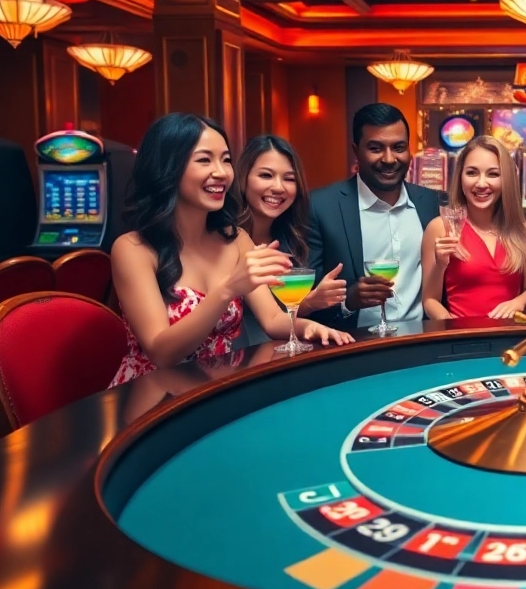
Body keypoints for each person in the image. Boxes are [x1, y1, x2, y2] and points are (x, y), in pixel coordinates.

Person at [109, 114, 349, 387]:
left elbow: (272, 320)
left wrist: (310, 328)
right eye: (204, 160)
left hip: (215, 388)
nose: (222, 172)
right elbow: (161, 353)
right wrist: (227, 289)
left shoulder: (236, 240)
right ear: (167, 167)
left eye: (225, 159)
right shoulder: (133, 249)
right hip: (150, 397)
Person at [307, 104, 440, 332]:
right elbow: (302, 297)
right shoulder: (321, 206)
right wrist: (348, 301)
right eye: (376, 148)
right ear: (356, 150)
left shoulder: (432, 203)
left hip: (423, 342)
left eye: (398, 147)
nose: (389, 159)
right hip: (353, 348)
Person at [234, 135, 348, 346]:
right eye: (266, 175)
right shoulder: (226, 238)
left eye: (289, 178)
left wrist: (312, 302)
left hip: (272, 352)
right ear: (243, 178)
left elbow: (275, 317)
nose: (278, 187)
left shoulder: (295, 238)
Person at [422, 135, 526, 319]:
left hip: (510, 337)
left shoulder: (524, 231)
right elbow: (430, 300)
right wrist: (453, 329)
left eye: (493, 174)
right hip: (462, 339)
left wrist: (518, 302)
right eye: (472, 173)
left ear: (506, 180)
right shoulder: (439, 228)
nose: (481, 183)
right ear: (460, 177)